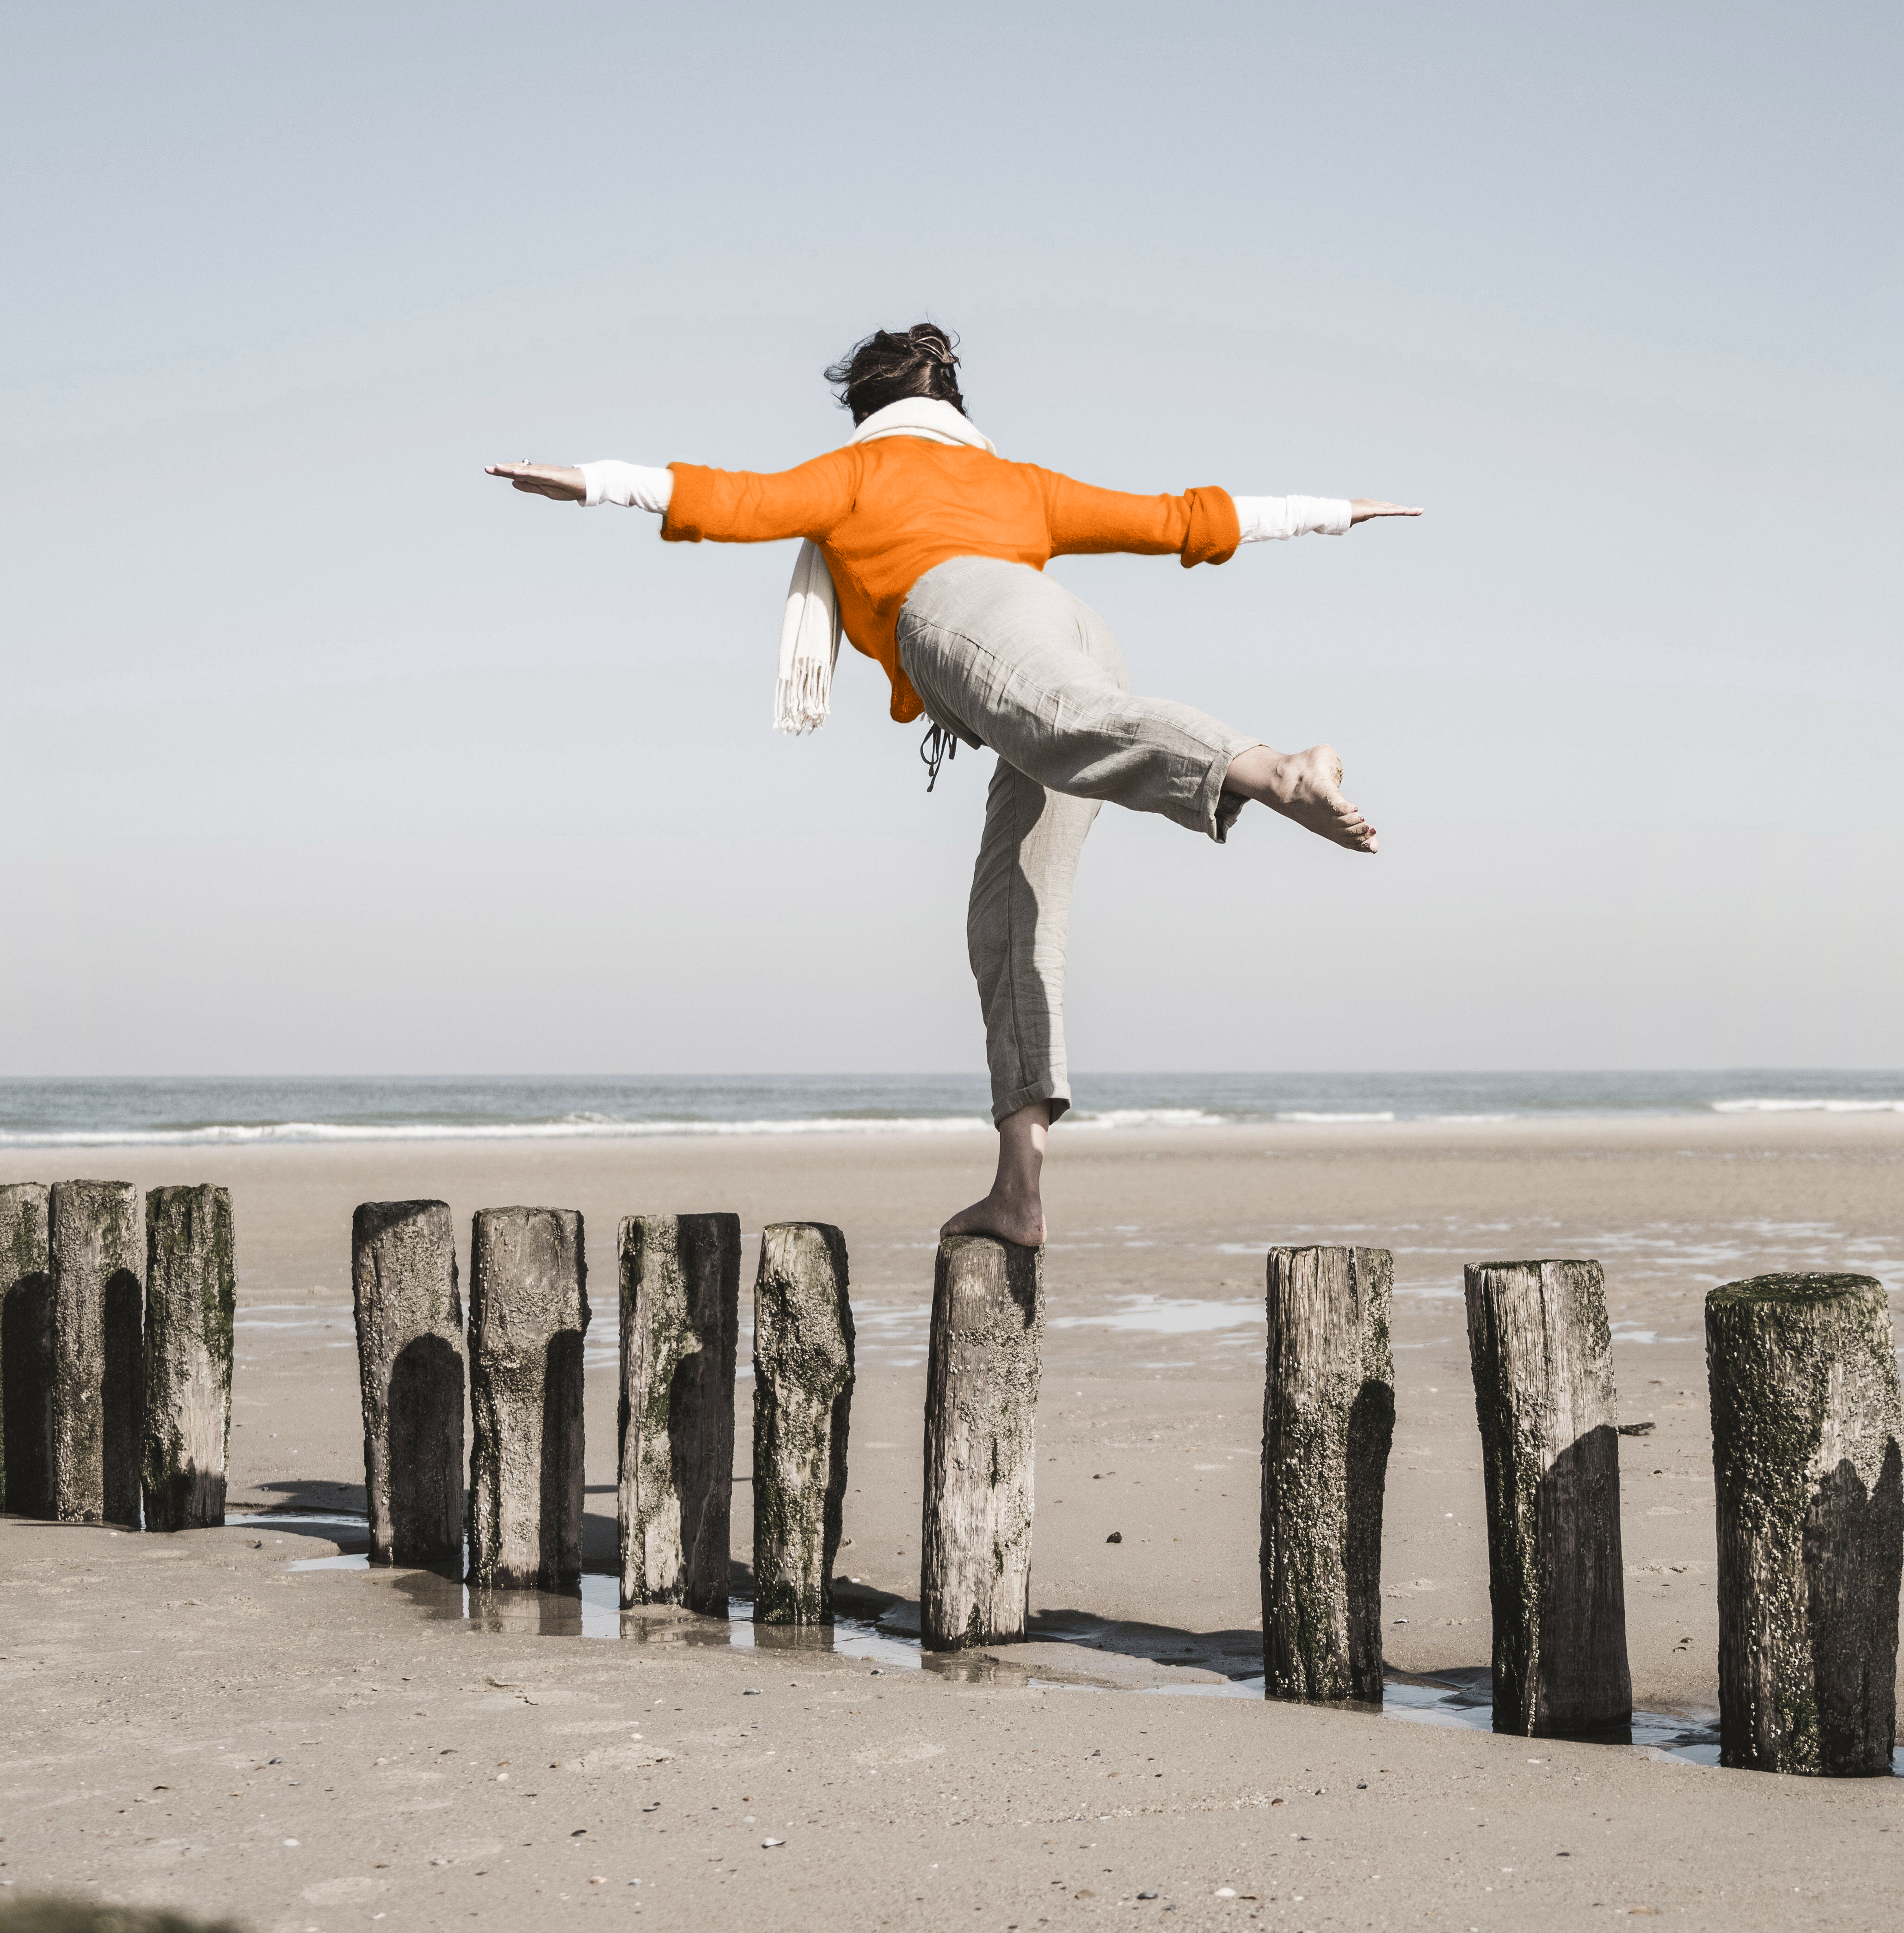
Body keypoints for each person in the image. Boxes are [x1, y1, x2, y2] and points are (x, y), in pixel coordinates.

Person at [493, 323, 1415, 1247]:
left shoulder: (859, 470)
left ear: (866, 409)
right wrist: (1329, 509)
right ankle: (1018, 1192)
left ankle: (1267, 769)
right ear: (954, 409)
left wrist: (591, 482)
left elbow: (734, 500)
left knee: (1057, 720)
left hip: (965, 615)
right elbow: (1175, 519)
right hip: (1075, 632)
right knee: (1012, 917)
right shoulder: (1013, 481)